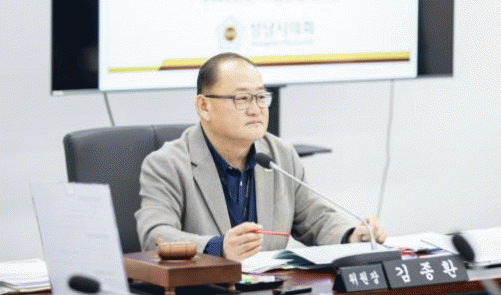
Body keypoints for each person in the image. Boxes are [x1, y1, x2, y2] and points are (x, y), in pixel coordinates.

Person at [135, 52, 387, 261]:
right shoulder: (167, 164)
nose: (256, 109)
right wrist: (218, 248)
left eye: (260, 97)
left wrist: (352, 235)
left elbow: (317, 220)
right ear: (204, 106)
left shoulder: (280, 155)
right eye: (242, 98)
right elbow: (155, 235)